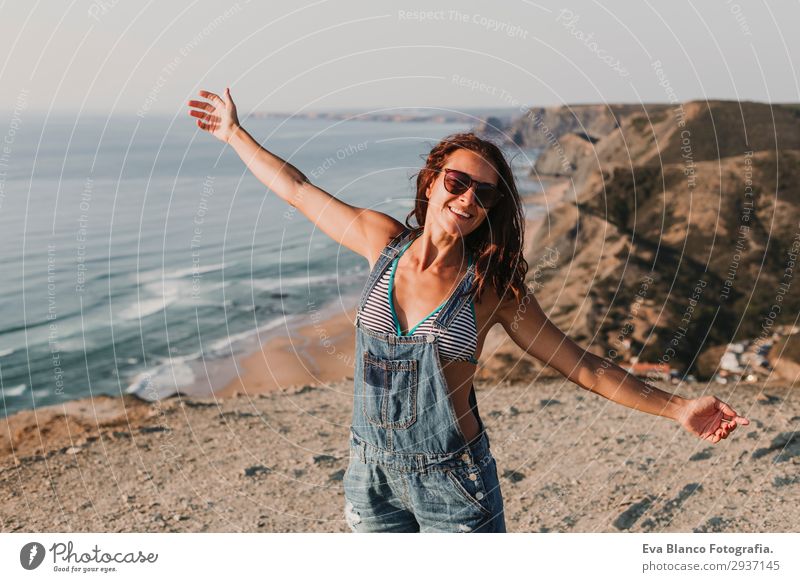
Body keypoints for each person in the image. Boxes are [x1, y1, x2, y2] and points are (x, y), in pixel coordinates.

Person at [187, 88, 750, 533]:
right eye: (457, 182)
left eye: (485, 195)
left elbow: (585, 367)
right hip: (370, 477)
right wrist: (235, 134)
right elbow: (297, 189)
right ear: (432, 181)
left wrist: (678, 409)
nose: (468, 199)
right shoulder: (382, 243)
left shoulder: (491, 289)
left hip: (452, 483)